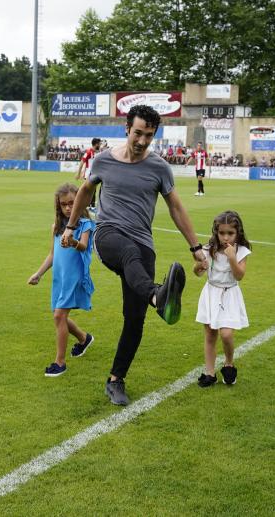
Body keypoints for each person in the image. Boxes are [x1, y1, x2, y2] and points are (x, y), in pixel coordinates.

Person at [61, 105, 207, 406]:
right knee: (128, 253)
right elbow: (85, 192)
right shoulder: (103, 161)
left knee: (135, 318)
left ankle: (116, 380)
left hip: (144, 244)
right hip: (110, 236)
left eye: (149, 136)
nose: (142, 141)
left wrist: (195, 248)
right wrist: (72, 227)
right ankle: (158, 296)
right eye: (138, 133)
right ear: (127, 128)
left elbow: (176, 207)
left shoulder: (159, 168)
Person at [28, 183, 96, 376]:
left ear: (80, 203)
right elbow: (52, 255)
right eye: (63, 205)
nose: (68, 208)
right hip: (60, 277)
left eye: (72, 204)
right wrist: (38, 274)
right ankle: (84, 338)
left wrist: (72, 241)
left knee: (59, 316)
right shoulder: (56, 227)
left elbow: (83, 247)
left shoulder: (85, 225)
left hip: (74, 276)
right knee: (59, 317)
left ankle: (60, 362)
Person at [193, 211, 251, 387]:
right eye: (222, 233)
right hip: (211, 293)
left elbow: (239, 276)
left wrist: (232, 257)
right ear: (216, 232)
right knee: (210, 334)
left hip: (229, 294)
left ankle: (229, 363)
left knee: (226, 334)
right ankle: (210, 372)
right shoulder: (208, 249)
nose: (226, 237)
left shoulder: (240, 251)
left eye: (230, 233)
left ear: (238, 233)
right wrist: (199, 266)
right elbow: (196, 272)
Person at [75, 138, 102, 212]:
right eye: (99, 144)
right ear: (96, 144)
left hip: (94, 174)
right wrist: (78, 173)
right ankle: (85, 206)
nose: (100, 145)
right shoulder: (88, 152)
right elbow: (82, 162)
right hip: (89, 175)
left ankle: (91, 206)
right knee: (89, 191)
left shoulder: (96, 152)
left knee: (93, 191)